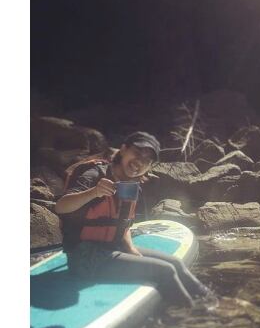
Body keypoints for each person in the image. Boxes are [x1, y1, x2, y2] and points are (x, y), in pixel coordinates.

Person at [55, 131, 210, 307]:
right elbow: (61, 206)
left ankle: (211, 301)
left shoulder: (130, 184)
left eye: (147, 160)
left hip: (112, 248)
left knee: (175, 263)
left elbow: (123, 223)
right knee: (165, 271)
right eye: (137, 153)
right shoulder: (93, 174)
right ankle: (191, 315)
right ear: (123, 150)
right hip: (85, 257)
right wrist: (94, 192)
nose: (139, 162)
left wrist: (131, 249)